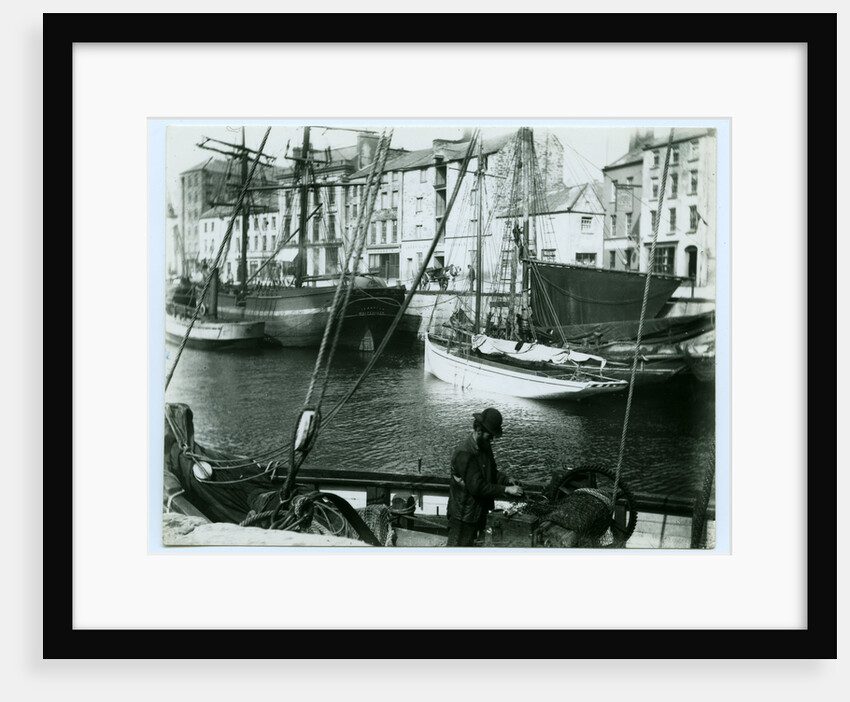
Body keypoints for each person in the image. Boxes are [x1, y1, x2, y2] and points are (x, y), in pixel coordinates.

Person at [446, 408, 524, 546]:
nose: (492, 439)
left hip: (481, 513)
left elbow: (491, 472)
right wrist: (506, 490)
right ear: (479, 430)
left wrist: (506, 480)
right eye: (490, 435)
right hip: (464, 517)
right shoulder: (464, 453)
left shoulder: (485, 446)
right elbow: (477, 486)